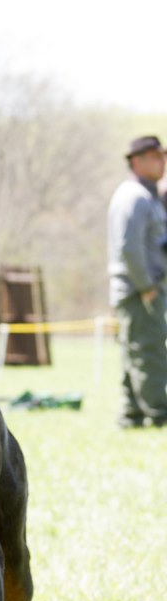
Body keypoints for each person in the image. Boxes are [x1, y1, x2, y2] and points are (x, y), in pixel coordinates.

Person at [108, 135, 167, 428]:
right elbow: (129, 248)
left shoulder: (148, 195)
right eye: (155, 156)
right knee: (150, 352)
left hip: (141, 288)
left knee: (137, 352)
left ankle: (132, 415)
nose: (162, 161)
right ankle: (158, 414)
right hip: (139, 290)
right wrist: (146, 287)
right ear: (137, 161)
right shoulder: (134, 197)